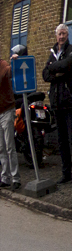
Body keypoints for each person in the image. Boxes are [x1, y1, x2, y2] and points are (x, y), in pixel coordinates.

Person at [42, 24, 72, 185]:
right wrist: (56, 72)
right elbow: (45, 75)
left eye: (64, 34)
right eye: (59, 34)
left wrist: (52, 69)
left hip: (69, 102)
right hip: (56, 104)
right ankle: (66, 173)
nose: (61, 36)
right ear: (56, 36)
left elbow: (69, 65)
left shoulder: (71, 49)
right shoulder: (53, 52)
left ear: (67, 35)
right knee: (62, 141)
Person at [0, 53, 18, 190]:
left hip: (7, 111)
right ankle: (5, 178)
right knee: (1, 148)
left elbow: (10, 71)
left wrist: (15, 62)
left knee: (10, 146)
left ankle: (16, 178)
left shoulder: (3, 65)